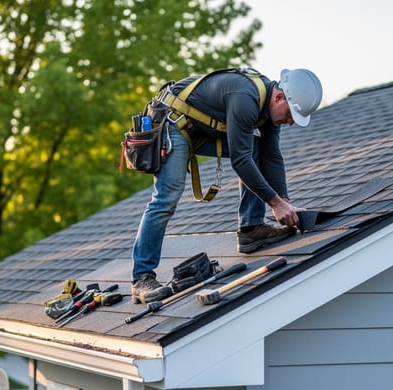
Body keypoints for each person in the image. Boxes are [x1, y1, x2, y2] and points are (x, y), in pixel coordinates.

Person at [131, 68, 323, 304]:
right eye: (292, 114)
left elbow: (272, 156)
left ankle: (251, 230)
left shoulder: (269, 109)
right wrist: (274, 203)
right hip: (174, 121)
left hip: (200, 126)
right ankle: (141, 278)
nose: (291, 122)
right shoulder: (246, 98)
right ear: (279, 97)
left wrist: (284, 201)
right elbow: (241, 162)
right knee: (166, 198)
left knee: (256, 148)